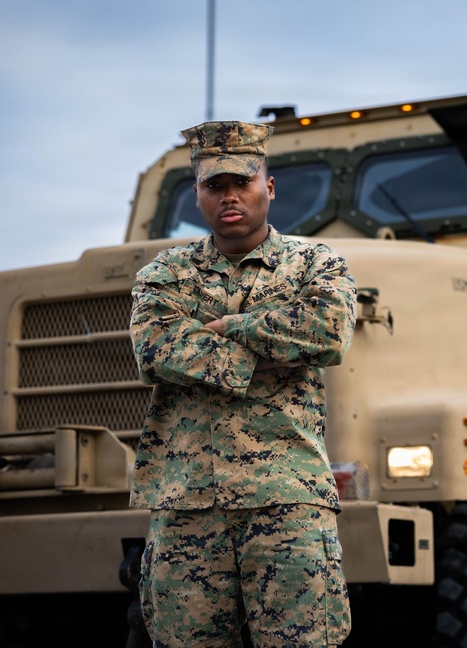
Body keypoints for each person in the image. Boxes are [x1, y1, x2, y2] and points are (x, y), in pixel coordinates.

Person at [129, 120, 356, 647]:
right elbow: (157, 349)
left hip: (288, 502)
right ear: (197, 196)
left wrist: (230, 328)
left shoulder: (315, 264)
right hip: (187, 507)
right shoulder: (164, 274)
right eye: (214, 186)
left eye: (243, 183)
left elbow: (328, 332)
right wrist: (274, 350)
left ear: (268, 188)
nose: (230, 196)